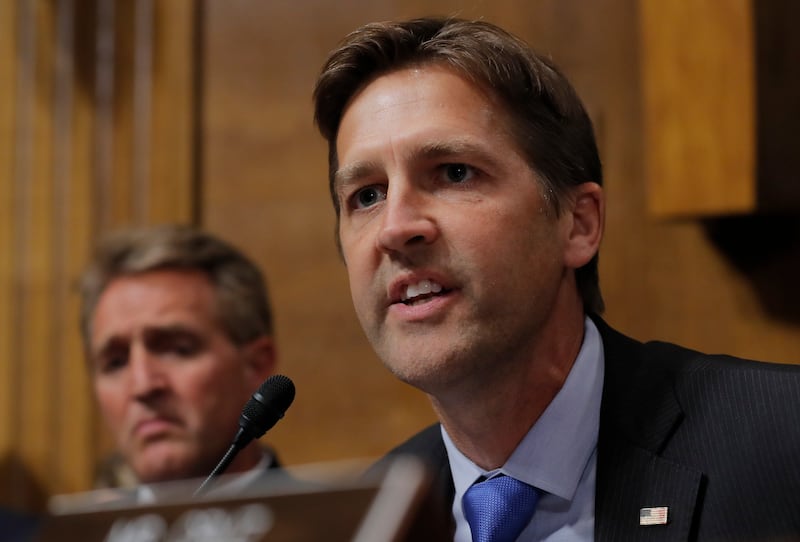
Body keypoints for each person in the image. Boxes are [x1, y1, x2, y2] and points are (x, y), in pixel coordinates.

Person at [312, 17, 800, 541]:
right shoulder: (367, 522)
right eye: (366, 195)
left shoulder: (781, 438)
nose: (396, 228)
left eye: (454, 172)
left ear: (579, 224)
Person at [79, 224, 281, 500]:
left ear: (256, 366)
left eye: (177, 350)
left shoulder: (343, 529)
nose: (142, 385)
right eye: (115, 363)